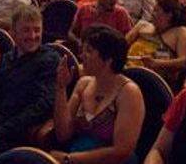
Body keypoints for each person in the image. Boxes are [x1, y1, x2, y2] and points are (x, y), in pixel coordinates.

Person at [0, 5, 60, 161]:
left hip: (20, 131)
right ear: (13, 33)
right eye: (26, 30)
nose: (33, 35)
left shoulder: (49, 60)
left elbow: (41, 106)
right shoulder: (7, 58)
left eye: (37, 30)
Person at [52, 25, 145, 164]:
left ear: (108, 59)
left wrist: (69, 159)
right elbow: (62, 134)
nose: (81, 55)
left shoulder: (129, 93)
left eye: (89, 51)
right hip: (76, 157)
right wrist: (61, 88)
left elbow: (122, 151)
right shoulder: (83, 84)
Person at [126, 0, 186, 86]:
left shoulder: (180, 32)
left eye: (156, 11)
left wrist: (156, 63)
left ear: (169, 15)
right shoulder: (142, 26)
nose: (152, 14)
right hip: (127, 70)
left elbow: (183, 61)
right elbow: (121, 45)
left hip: (152, 80)